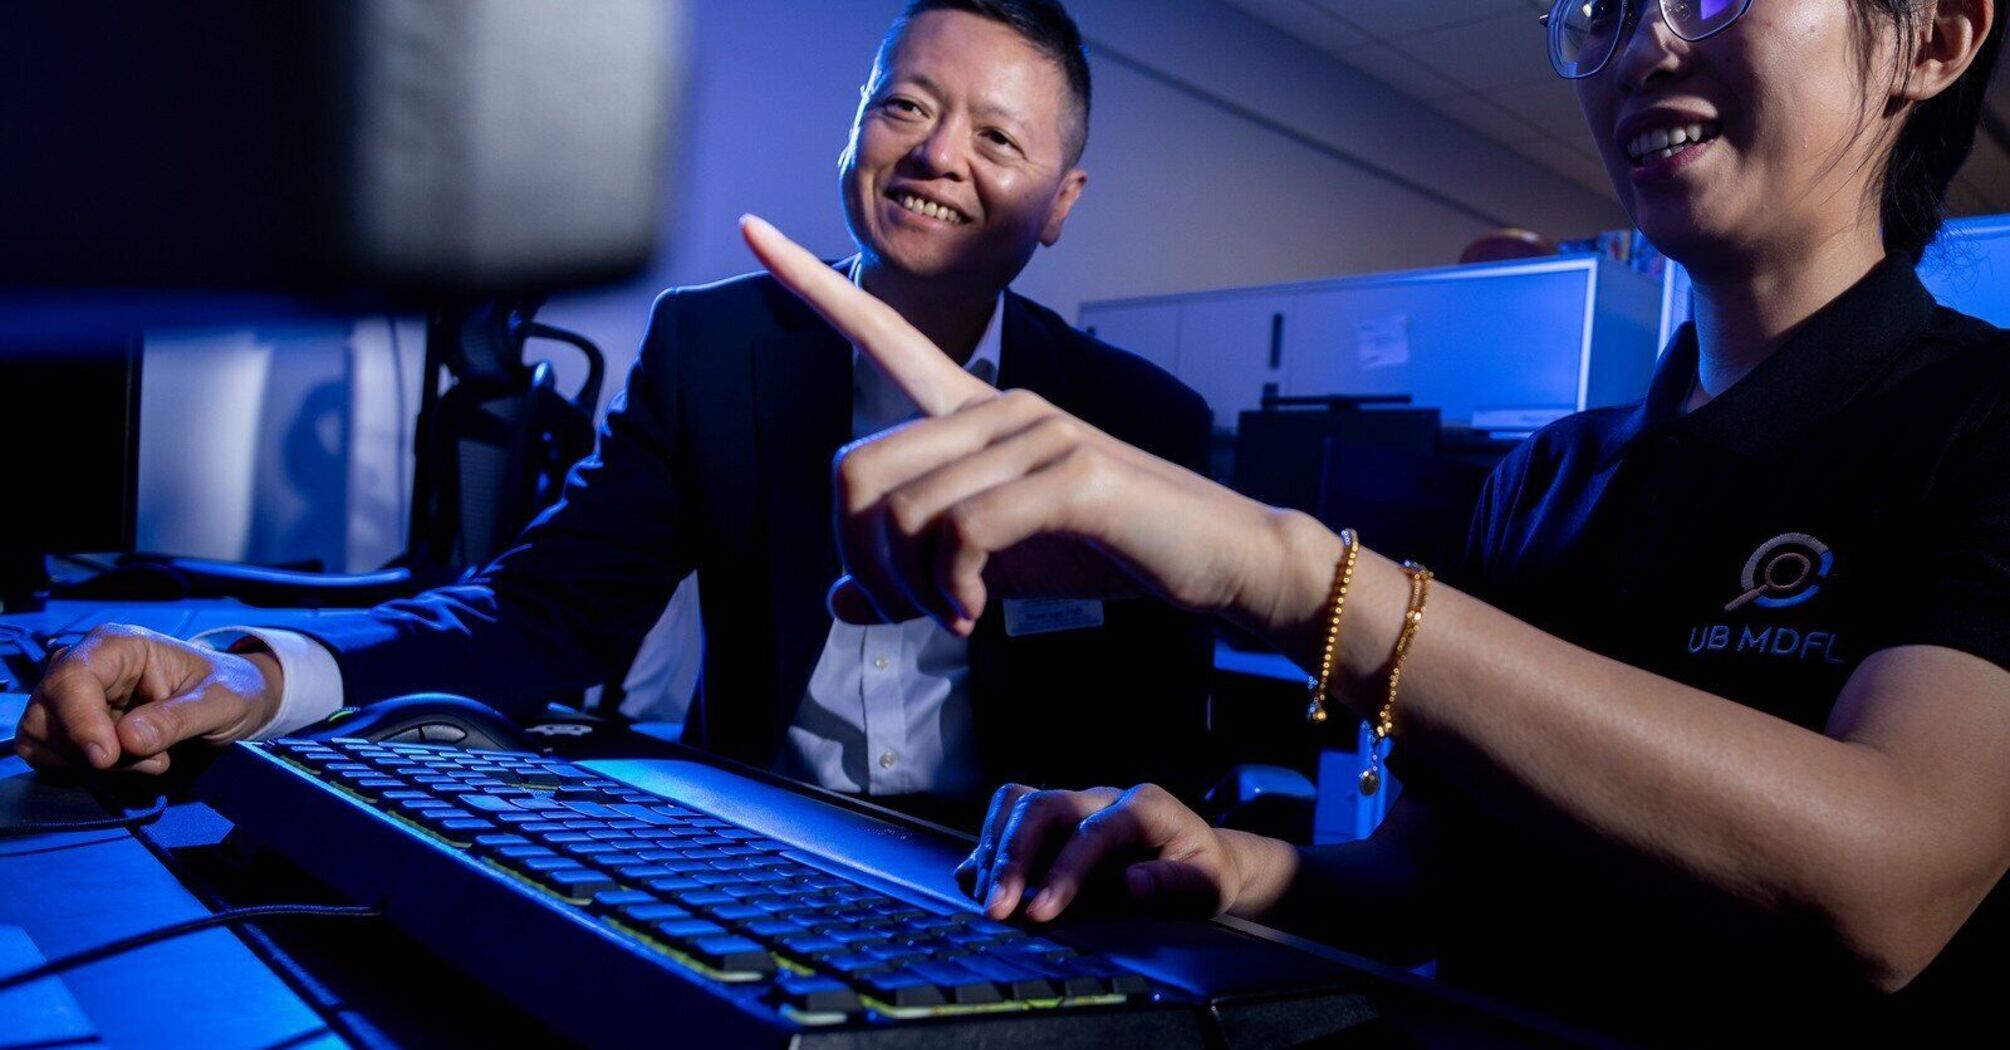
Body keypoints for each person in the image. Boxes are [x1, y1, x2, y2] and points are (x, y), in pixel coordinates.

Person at [736, 0, 2009, 1040]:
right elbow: (1422, 880)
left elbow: (1893, 883)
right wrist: (1231, 868)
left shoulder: (1979, 421)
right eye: (1606, 11)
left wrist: (1289, 573)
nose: (1647, 46)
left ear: (1937, 36)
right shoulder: (1552, 476)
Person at [15, 0, 1216, 824]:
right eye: (905, 106)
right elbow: (543, 610)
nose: (938, 154)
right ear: (857, 128)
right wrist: (255, 675)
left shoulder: (1138, 421)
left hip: (1016, 902)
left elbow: (1161, 758)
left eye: (997, 136)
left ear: (1060, 202)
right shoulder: (713, 349)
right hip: (754, 855)